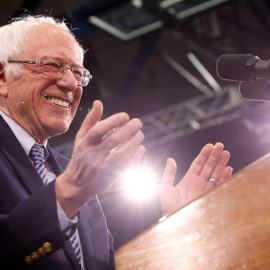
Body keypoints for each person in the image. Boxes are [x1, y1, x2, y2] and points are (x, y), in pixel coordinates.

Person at [0, 15, 232, 270]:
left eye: (78, 72)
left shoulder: (74, 172)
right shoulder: (76, 181)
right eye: (53, 65)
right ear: (3, 77)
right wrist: (68, 192)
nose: (70, 83)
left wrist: (174, 223)